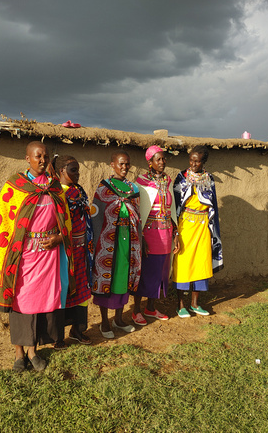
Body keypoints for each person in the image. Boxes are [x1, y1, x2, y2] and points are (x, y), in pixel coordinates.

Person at [0, 141, 75, 372]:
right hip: (24, 256)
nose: (42, 160)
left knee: (41, 302)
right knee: (22, 302)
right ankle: (19, 352)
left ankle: (33, 350)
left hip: (49, 256)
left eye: (45, 156)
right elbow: (6, 224)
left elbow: (65, 220)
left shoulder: (56, 188)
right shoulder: (14, 186)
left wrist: (59, 238)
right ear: (27, 158)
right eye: (37, 156)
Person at [91, 150, 142, 338]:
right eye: (121, 164)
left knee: (124, 276)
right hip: (107, 241)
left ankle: (119, 319)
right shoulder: (103, 188)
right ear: (112, 164)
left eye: (127, 164)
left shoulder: (133, 189)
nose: (124, 167)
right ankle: (104, 322)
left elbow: (138, 217)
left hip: (129, 240)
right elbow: (96, 215)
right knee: (107, 278)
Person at [172, 145, 223, 317]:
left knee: (201, 263)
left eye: (197, 161)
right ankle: (180, 305)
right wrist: (176, 231)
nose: (193, 164)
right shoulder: (181, 177)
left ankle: (195, 304)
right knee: (183, 264)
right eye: (191, 160)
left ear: (204, 161)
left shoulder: (209, 178)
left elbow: (212, 204)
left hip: (203, 226)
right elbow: (175, 205)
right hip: (185, 225)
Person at [132, 145, 179, 325]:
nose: (162, 162)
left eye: (164, 159)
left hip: (166, 231)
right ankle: (136, 310)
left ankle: (151, 307)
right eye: (158, 159)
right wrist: (140, 237)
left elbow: (172, 209)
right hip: (149, 233)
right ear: (150, 162)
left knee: (161, 272)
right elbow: (139, 210)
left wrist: (175, 232)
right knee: (146, 271)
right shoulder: (141, 182)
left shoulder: (168, 181)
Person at [53, 155, 94, 344]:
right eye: (73, 170)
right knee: (63, 290)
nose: (77, 174)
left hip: (82, 248)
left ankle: (78, 330)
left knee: (82, 290)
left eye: (77, 170)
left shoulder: (79, 191)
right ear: (61, 171)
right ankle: (58, 336)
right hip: (63, 251)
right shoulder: (55, 193)